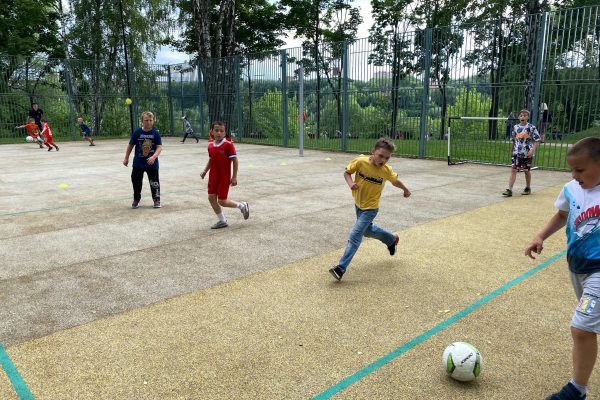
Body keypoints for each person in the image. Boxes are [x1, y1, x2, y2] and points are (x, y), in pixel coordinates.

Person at [524, 137, 600, 400]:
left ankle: (576, 390)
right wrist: (540, 236)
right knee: (588, 326)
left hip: (599, 272)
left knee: (581, 326)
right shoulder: (570, 189)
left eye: (581, 170)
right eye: (572, 170)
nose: (575, 175)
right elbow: (562, 215)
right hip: (577, 267)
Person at [329, 137, 411, 281]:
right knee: (367, 230)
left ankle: (340, 268)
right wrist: (351, 184)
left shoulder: (386, 170)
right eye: (380, 156)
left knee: (355, 235)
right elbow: (347, 173)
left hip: (371, 208)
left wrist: (405, 189)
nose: (383, 160)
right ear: (373, 152)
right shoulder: (361, 162)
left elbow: (394, 181)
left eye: (387, 158)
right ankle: (391, 239)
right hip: (359, 204)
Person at [199, 121, 249, 229]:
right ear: (212, 132)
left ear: (225, 133)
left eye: (222, 131)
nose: (219, 133)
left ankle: (242, 205)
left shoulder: (228, 145)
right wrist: (205, 171)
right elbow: (211, 160)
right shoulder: (210, 146)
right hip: (213, 177)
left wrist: (234, 176)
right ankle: (222, 221)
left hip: (223, 178)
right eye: (216, 130)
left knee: (222, 201)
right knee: (211, 198)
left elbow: (235, 160)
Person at [122, 111, 162, 209]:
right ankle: (136, 199)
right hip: (138, 163)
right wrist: (126, 158)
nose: (148, 122)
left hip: (152, 164)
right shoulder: (137, 132)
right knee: (136, 181)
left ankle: (156, 199)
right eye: (146, 120)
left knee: (154, 182)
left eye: (150, 120)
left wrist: (153, 157)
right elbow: (130, 145)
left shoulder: (155, 133)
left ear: (153, 121)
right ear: (142, 121)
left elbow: (159, 147)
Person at [501, 109, 540, 197]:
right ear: (519, 117)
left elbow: (537, 140)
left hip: (527, 153)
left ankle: (528, 187)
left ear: (528, 117)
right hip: (517, 153)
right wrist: (511, 151)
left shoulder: (531, 127)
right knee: (513, 170)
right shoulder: (515, 127)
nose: (523, 117)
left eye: (525, 115)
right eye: (521, 115)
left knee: (526, 171)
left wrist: (532, 150)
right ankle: (509, 190)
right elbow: (514, 140)